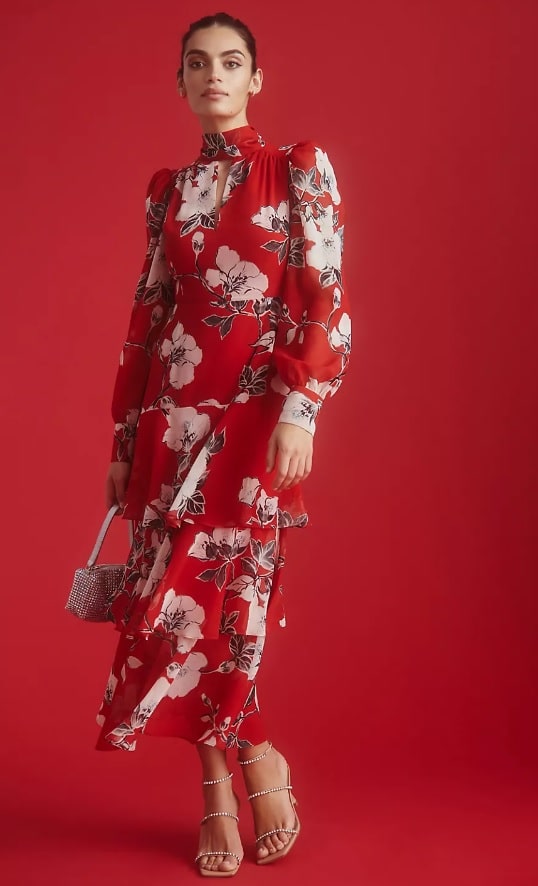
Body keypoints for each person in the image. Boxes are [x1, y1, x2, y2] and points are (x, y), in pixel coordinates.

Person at [96, 10, 351, 878]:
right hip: (174, 425)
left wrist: (300, 409)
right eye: (197, 64)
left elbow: (326, 295)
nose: (214, 75)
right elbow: (148, 321)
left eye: (231, 62)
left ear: (255, 80)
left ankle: (255, 759)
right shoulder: (166, 190)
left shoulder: (298, 170)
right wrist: (126, 439)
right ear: (180, 84)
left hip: (254, 422)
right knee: (176, 613)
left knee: (233, 606)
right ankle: (230, 770)